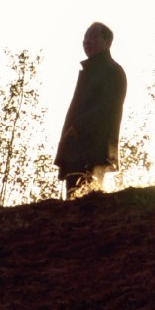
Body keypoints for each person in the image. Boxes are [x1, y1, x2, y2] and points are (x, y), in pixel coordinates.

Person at [55, 22, 126, 198]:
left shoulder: (112, 71)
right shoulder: (90, 71)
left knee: (89, 198)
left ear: (107, 42)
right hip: (76, 144)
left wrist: (78, 127)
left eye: (93, 37)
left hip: (93, 146)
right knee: (73, 197)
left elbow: (107, 108)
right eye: (86, 37)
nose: (87, 41)